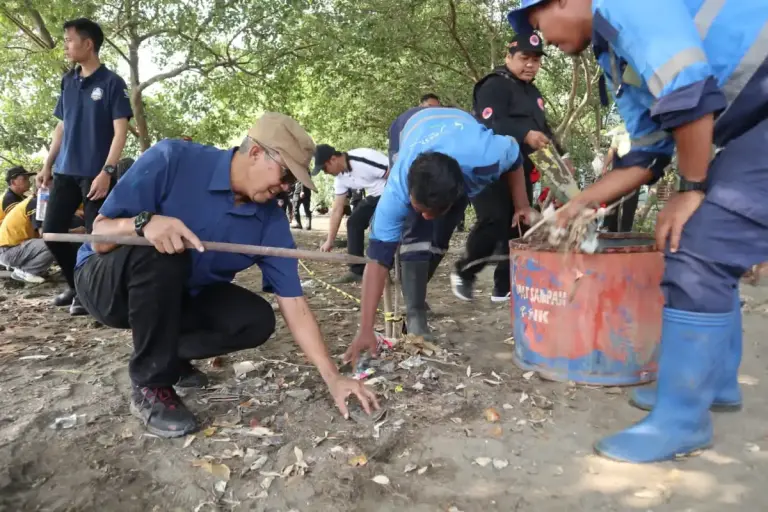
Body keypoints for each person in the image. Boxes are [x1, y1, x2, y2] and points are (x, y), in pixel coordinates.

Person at [508, 0, 768, 463]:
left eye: (537, 23)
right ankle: (715, 384)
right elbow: (647, 155)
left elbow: (688, 89)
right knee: (701, 240)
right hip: (752, 123)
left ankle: (681, 421)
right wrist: (577, 206)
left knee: (698, 246)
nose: (541, 39)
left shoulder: (625, 4)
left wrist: (692, 188)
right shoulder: (613, 55)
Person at [73, 113, 379, 438]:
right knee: (164, 250)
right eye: (286, 174)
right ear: (256, 152)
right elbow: (100, 236)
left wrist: (333, 377)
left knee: (255, 319)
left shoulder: (270, 222)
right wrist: (144, 224)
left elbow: (294, 303)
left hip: (178, 297)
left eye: (293, 181)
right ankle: (151, 381)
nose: (286, 187)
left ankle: (165, 354)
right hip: (106, 284)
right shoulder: (173, 158)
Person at [343, 106, 532, 363]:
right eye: (420, 208)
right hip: (409, 124)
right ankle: (415, 314)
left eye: (433, 211)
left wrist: (522, 205)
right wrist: (365, 328)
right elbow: (377, 261)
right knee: (415, 232)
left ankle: (417, 292)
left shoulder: (489, 156)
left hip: (461, 129)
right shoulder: (396, 190)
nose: (426, 216)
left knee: (441, 231)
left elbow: (516, 155)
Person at [37, 18, 132, 316]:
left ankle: (93, 296)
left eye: (69, 40)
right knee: (51, 232)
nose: (65, 45)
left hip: (95, 174)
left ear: (88, 44)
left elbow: (120, 132)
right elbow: (62, 126)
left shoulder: (112, 83)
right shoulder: (68, 80)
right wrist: (47, 164)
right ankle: (76, 285)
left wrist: (107, 171)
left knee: (97, 238)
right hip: (65, 171)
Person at [460, 32, 562, 302]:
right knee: (494, 220)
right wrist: (524, 134)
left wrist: (561, 157)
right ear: (509, 57)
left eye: (536, 60)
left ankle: (503, 287)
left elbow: (543, 130)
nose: (530, 64)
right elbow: (490, 123)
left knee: (519, 224)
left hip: (521, 167)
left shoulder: (533, 93)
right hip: (489, 167)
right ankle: (465, 271)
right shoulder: (494, 85)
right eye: (524, 58)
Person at [315, 144, 389, 283]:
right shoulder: (340, 178)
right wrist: (330, 240)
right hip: (374, 196)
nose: (325, 173)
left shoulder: (362, 158)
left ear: (333, 159)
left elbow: (395, 173)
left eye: (324, 168)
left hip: (391, 192)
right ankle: (356, 271)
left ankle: (385, 270)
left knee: (380, 227)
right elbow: (337, 209)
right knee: (354, 222)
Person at [600, 124, 640, 232]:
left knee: (630, 201)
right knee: (613, 197)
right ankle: (608, 227)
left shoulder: (643, 127)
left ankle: (626, 230)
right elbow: (612, 149)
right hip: (619, 167)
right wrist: (605, 166)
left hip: (634, 168)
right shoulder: (620, 128)